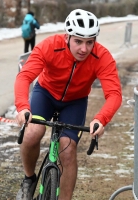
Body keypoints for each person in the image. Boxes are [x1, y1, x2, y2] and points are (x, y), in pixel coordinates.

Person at [14, 9, 122, 200]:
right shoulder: (49, 46)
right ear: (67, 37)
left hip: (75, 101)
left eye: (90, 42)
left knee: (68, 149)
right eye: (78, 41)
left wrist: (101, 119)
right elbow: (25, 77)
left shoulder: (102, 56)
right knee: (33, 133)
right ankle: (29, 179)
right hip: (45, 94)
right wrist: (23, 106)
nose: (84, 49)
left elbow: (114, 94)